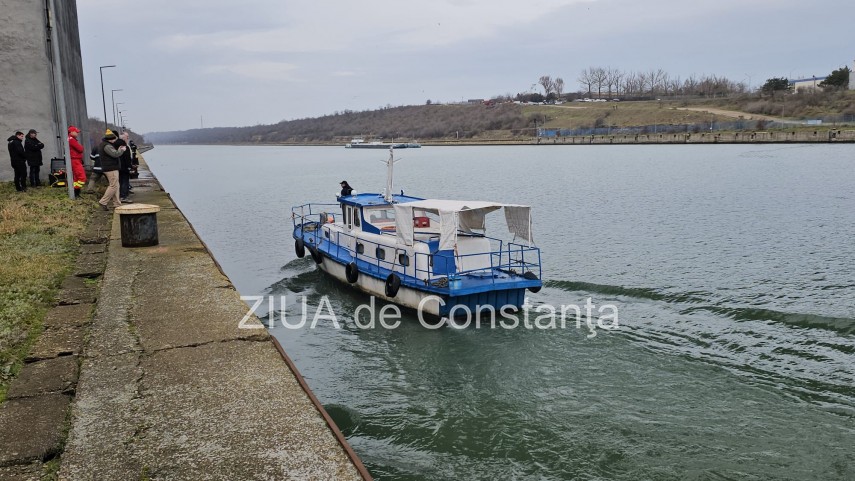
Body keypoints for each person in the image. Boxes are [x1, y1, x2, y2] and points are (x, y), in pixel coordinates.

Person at [97, 129, 126, 211]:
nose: (115, 140)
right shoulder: (107, 146)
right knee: (113, 186)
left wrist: (119, 149)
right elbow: (115, 154)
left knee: (116, 186)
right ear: (111, 139)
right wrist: (121, 150)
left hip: (110, 168)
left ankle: (117, 203)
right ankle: (103, 201)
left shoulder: (105, 144)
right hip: (111, 168)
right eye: (114, 139)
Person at [67, 126, 87, 198]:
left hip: (75, 160)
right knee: (82, 178)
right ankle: (76, 191)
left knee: (76, 178)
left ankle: (76, 193)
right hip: (75, 160)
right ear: (71, 132)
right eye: (76, 132)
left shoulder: (70, 139)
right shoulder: (72, 140)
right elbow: (80, 149)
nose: (77, 133)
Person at [116, 131, 133, 203]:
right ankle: (123, 196)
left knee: (119, 181)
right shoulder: (124, 145)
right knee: (124, 181)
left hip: (117, 166)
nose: (128, 138)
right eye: (127, 137)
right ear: (123, 137)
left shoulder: (115, 144)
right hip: (124, 167)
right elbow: (127, 157)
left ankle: (119, 195)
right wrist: (129, 166)